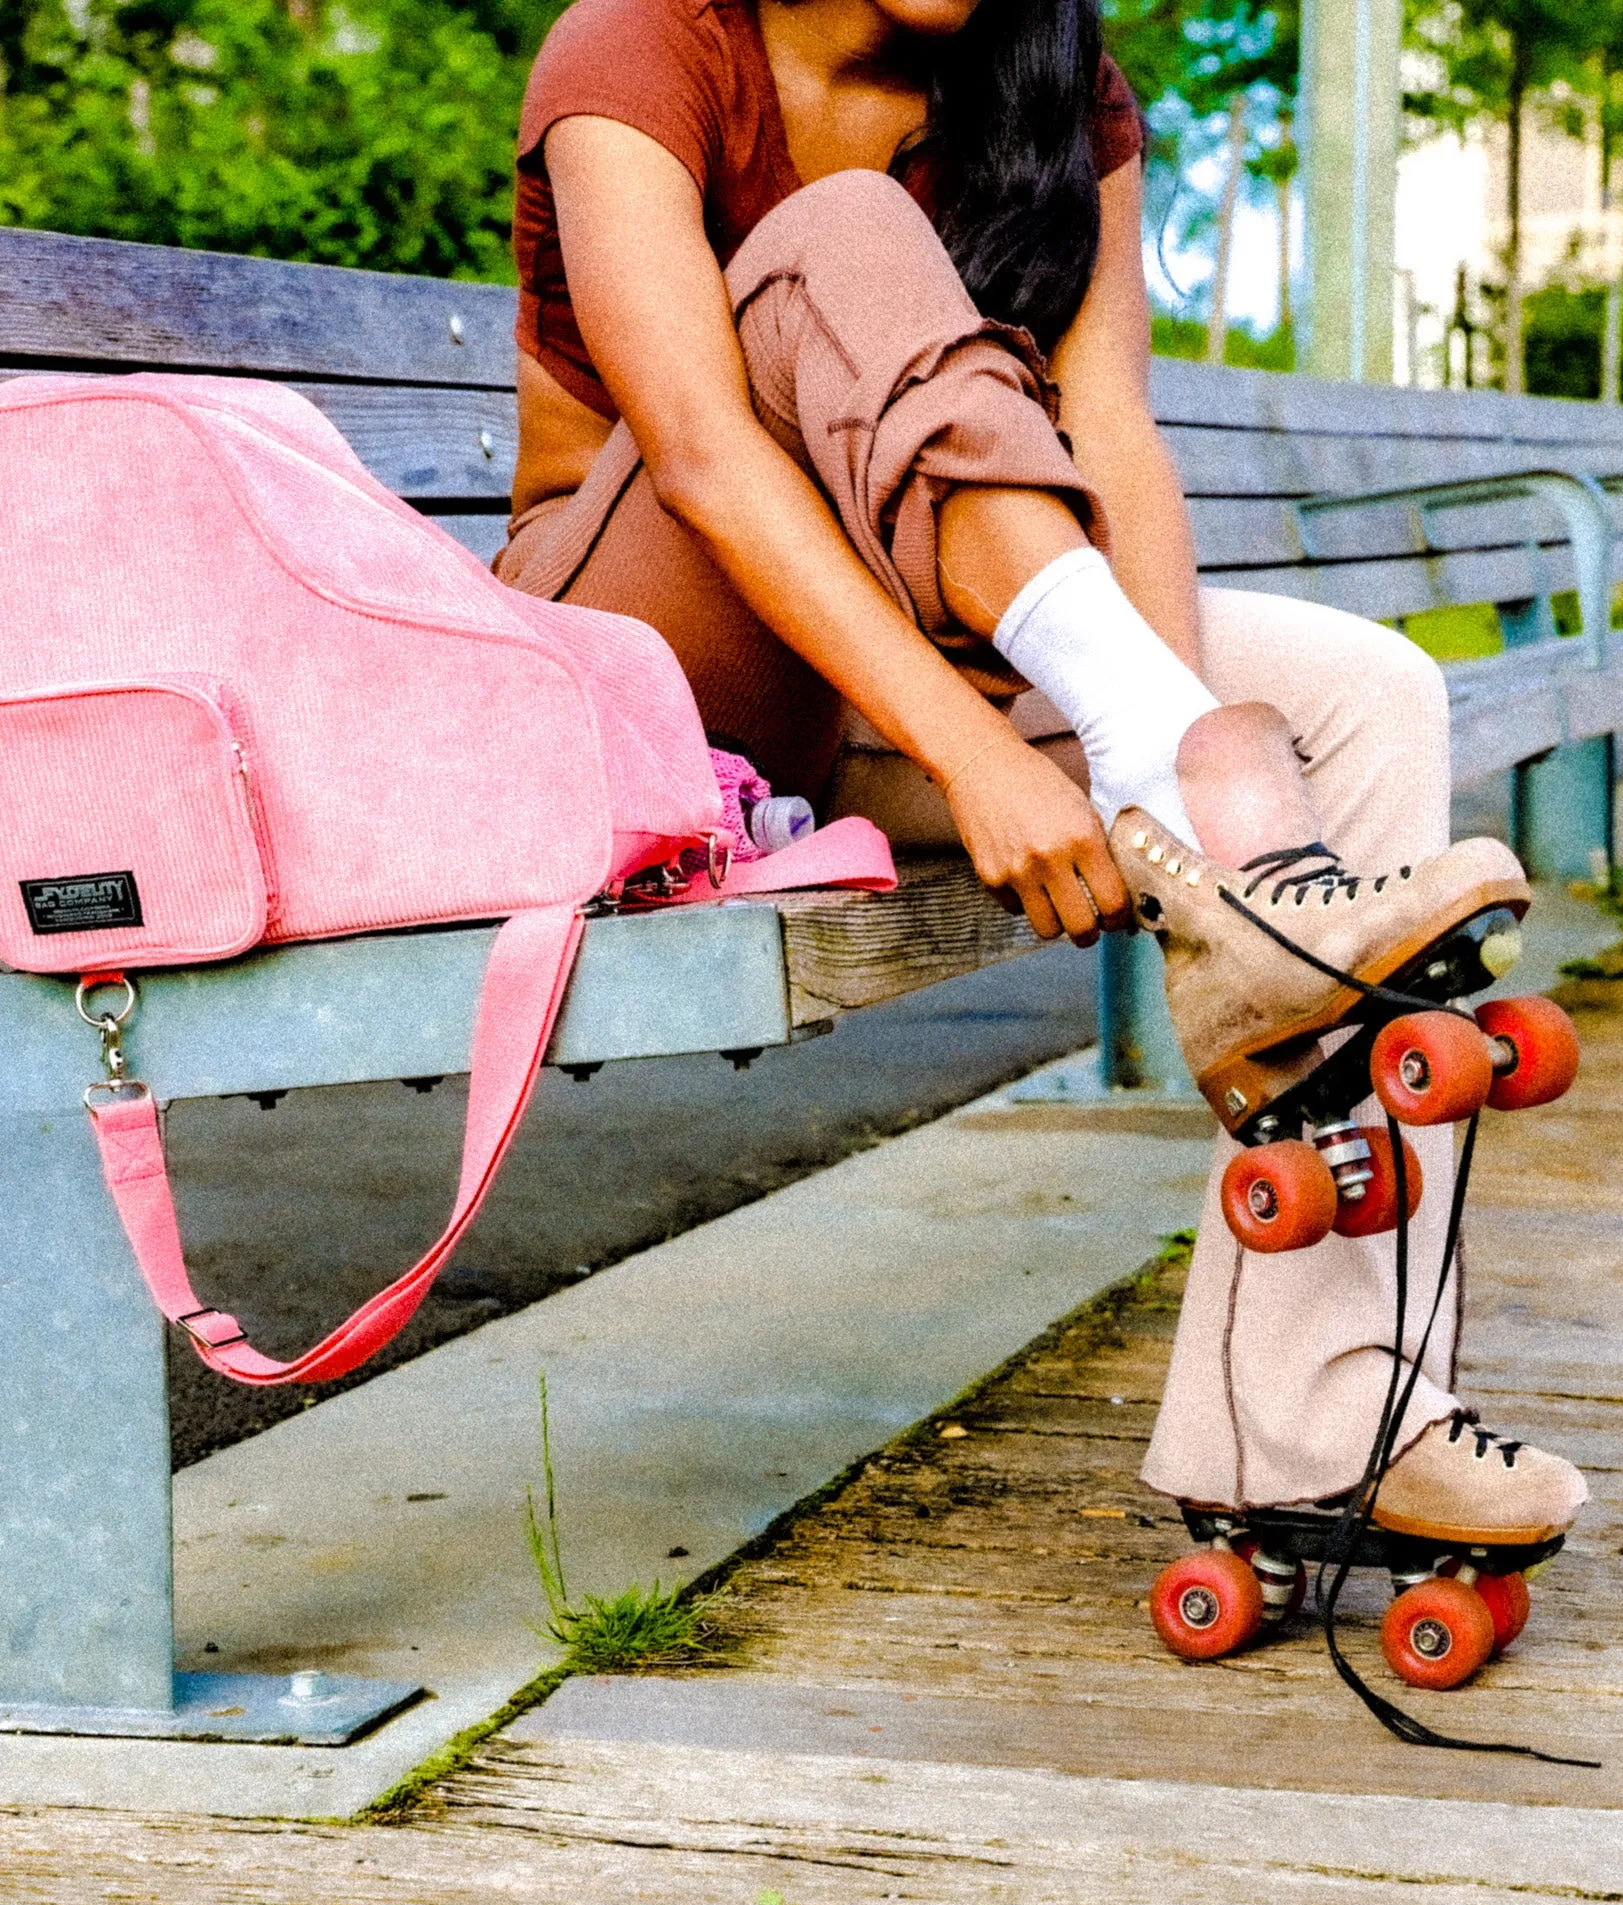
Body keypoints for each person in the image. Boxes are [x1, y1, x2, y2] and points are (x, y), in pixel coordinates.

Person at [495, 0, 1585, 1541]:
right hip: (651, 686)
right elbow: (696, 451)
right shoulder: (640, 44)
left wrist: (1197, 766)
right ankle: (1177, 789)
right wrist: (990, 754)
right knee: (843, 231)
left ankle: (1327, 1417)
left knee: (1364, 696)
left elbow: (1115, 437)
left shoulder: (1061, 90)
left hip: (901, 665)